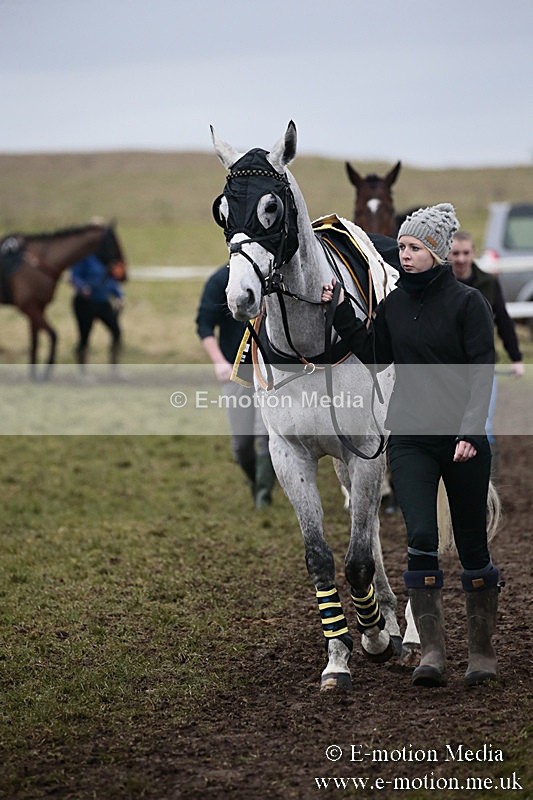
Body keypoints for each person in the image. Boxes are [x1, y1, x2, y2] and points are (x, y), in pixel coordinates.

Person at [321, 204, 501, 688]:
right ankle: (434, 655)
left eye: (414, 248)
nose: (404, 255)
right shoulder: (395, 304)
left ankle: (481, 654)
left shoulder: (469, 304)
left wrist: (468, 430)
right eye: (401, 247)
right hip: (410, 440)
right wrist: (339, 311)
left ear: (438, 253)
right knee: (420, 538)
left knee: (471, 544)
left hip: (461, 441)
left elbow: (482, 372)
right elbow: (377, 356)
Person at [196, 264, 276, 509]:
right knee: (242, 445)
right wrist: (219, 362)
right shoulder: (220, 280)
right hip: (235, 371)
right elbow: (204, 326)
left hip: (269, 372)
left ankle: (264, 496)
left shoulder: (272, 279)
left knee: (266, 436)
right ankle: (255, 481)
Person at [448, 231, 524, 455]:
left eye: (465, 253)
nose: (461, 259)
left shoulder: (488, 283)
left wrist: (516, 357)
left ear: (473, 253)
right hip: (448, 365)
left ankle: (487, 480)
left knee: (484, 426)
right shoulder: (440, 286)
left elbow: (503, 319)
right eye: (455, 253)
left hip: (482, 365)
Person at [70, 248, 124, 373]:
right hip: (85, 303)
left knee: (116, 331)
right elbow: (74, 276)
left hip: (103, 301)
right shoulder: (82, 256)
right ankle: (82, 371)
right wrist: (82, 287)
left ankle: (114, 369)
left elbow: (110, 279)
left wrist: (119, 295)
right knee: (85, 336)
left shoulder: (105, 257)